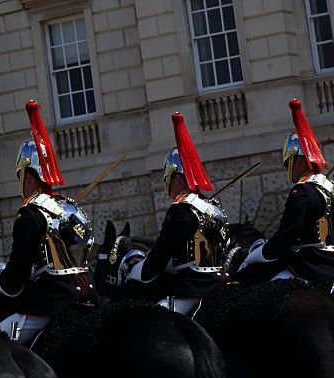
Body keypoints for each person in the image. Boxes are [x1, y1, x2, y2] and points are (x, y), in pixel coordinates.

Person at [0, 101, 93, 346]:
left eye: (20, 176)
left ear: (29, 176)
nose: (20, 182)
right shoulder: (70, 206)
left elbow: (16, 276)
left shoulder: (30, 213)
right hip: (88, 293)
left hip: (52, 301)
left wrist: (1, 280)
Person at [121, 113, 226, 316]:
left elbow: (159, 257)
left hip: (192, 292)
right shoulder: (213, 207)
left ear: (177, 179)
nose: (168, 187)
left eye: (168, 179)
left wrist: (138, 271)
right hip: (218, 285)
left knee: (152, 321)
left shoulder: (180, 210)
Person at [238, 99, 334, 284]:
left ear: (298, 161)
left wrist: (258, 254)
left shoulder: (303, 191)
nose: (287, 168)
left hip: (311, 265)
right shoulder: (328, 189)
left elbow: (286, 236)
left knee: (264, 291)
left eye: (288, 163)